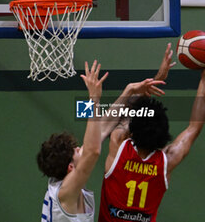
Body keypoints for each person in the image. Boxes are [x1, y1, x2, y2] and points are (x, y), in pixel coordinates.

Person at [98, 44, 205, 222]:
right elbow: (194, 127)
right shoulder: (166, 161)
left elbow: (122, 113)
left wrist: (156, 79)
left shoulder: (119, 144)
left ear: (132, 131)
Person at [36, 60, 165, 222]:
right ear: (70, 167)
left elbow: (103, 128)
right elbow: (93, 150)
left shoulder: (67, 182)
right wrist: (94, 100)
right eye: (76, 150)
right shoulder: (66, 192)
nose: (79, 148)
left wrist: (129, 91)